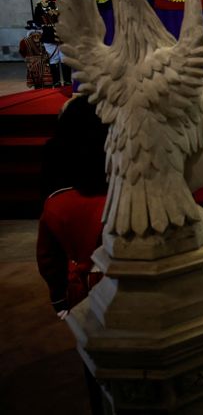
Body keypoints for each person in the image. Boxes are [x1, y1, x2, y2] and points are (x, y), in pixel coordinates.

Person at [35, 95, 109, 415]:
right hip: (126, 291)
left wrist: (59, 300)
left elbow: (49, 260)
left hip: (81, 292)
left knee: (92, 362)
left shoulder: (57, 203)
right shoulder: (124, 200)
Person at [34, 0, 70, 87]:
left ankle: (57, 82)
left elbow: (37, 22)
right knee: (64, 59)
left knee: (54, 59)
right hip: (62, 34)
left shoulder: (40, 6)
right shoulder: (62, 2)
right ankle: (67, 82)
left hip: (48, 35)